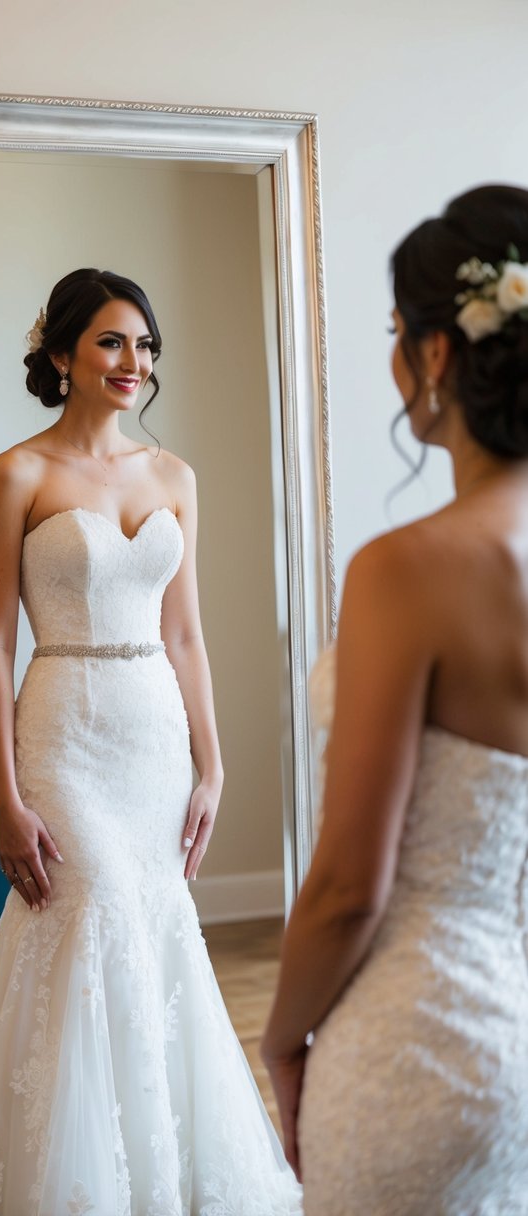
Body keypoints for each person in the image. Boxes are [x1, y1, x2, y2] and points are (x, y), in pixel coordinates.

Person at [0, 268, 301, 1215]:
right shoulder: (16, 474)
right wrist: (5, 797)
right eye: (110, 342)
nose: (134, 362)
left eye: (144, 345)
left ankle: (156, 1174)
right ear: (60, 354)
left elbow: (185, 637)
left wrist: (213, 764)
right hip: (64, 727)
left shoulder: (173, 475)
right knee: (87, 913)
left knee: (154, 934)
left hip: (154, 737)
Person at [261, 184, 528, 1213]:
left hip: (407, 1043)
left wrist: (282, 1040)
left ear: (436, 352)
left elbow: (345, 890)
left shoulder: (406, 569)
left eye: (393, 331)